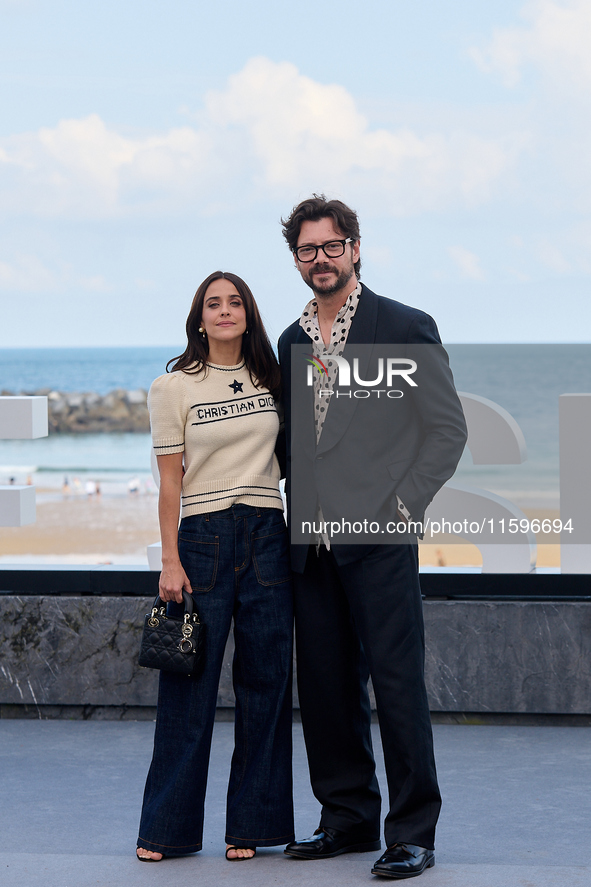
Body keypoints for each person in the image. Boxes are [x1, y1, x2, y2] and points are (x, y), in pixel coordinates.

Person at [278, 196, 467, 879]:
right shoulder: (293, 340)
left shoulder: (404, 326)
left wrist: (399, 505)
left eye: (331, 246)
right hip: (310, 544)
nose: (320, 259)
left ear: (355, 247)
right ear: (295, 258)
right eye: (307, 250)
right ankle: (348, 818)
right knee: (325, 688)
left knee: (395, 688)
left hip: (379, 539)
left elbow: (446, 431)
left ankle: (413, 830)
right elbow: (300, 442)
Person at [136, 271, 294, 863]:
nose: (224, 311)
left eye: (234, 302)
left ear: (248, 314)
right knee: (189, 688)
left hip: (266, 532)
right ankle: (165, 831)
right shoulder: (173, 386)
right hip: (202, 538)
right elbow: (169, 481)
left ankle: (249, 828)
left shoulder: (271, 377)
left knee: (267, 684)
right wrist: (170, 559)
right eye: (213, 304)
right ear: (199, 318)